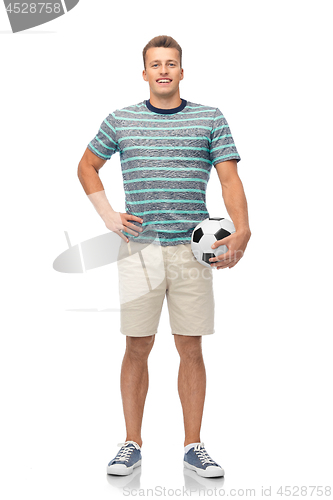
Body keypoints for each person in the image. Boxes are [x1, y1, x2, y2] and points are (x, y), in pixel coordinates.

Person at [77, 35, 251, 478]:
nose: (163, 71)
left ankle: (194, 446)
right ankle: (131, 443)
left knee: (189, 347)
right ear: (145, 73)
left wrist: (243, 228)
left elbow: (229, 180)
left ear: (182, 70)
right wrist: (108, 214)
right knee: (137, 346)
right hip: (140, 250)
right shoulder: (121, 120)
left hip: (194, 252)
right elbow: (86, 165)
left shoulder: (210, 118)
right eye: (155, 64)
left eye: (171, 63)